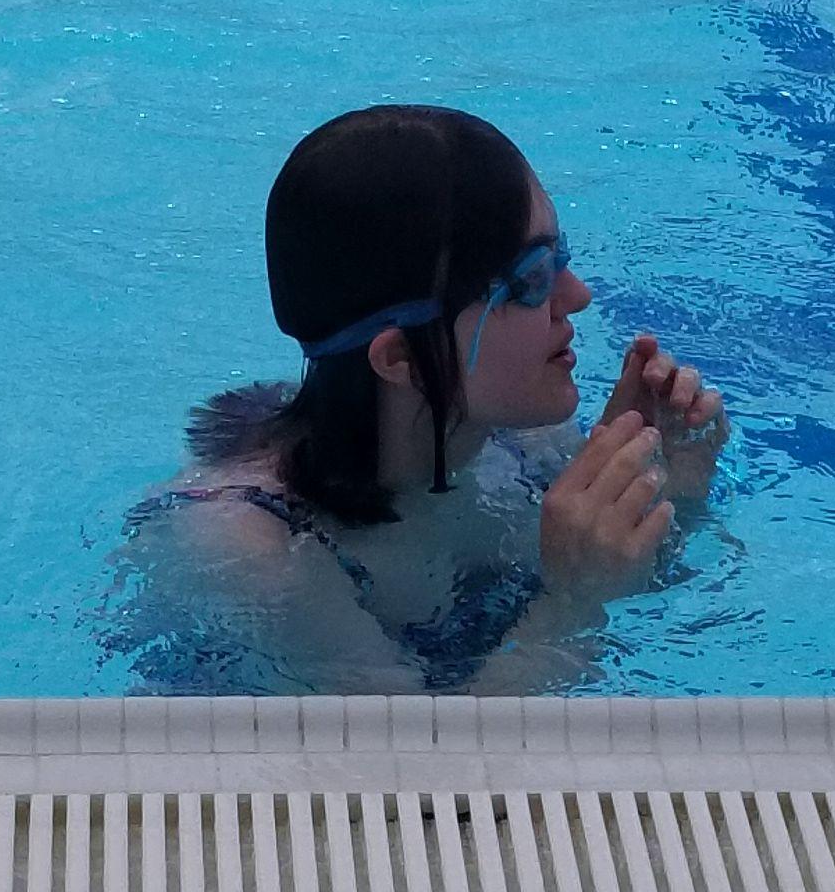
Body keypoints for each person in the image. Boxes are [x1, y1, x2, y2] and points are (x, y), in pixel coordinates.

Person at [123, 104, 728, 694]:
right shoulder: (256, 554)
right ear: (402, 359)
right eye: (531, 279)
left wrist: (665, 484)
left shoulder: (518, 438)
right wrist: (573, 601)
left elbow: (642, 586)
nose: (578, 295)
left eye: (560, 258)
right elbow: (425, 782)